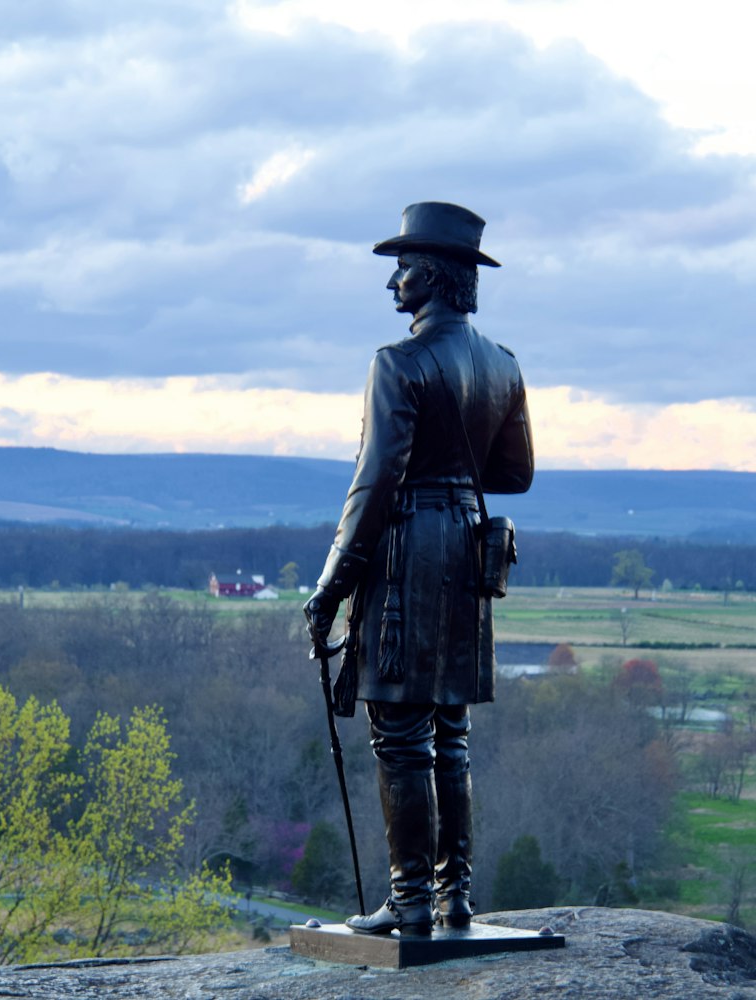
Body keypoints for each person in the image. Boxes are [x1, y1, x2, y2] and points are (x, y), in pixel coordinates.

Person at [303, 202, 534, 936]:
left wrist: (331, 585)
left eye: (401, 268)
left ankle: (409, 901)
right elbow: (515, 472)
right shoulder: (503, 364)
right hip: (465, 547)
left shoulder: (397, 364)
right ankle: (454, 895)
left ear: (431, 276)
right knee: (450, 732)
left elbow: (373, 486)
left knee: (402, 735)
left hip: (409, 550)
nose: (392, 283)